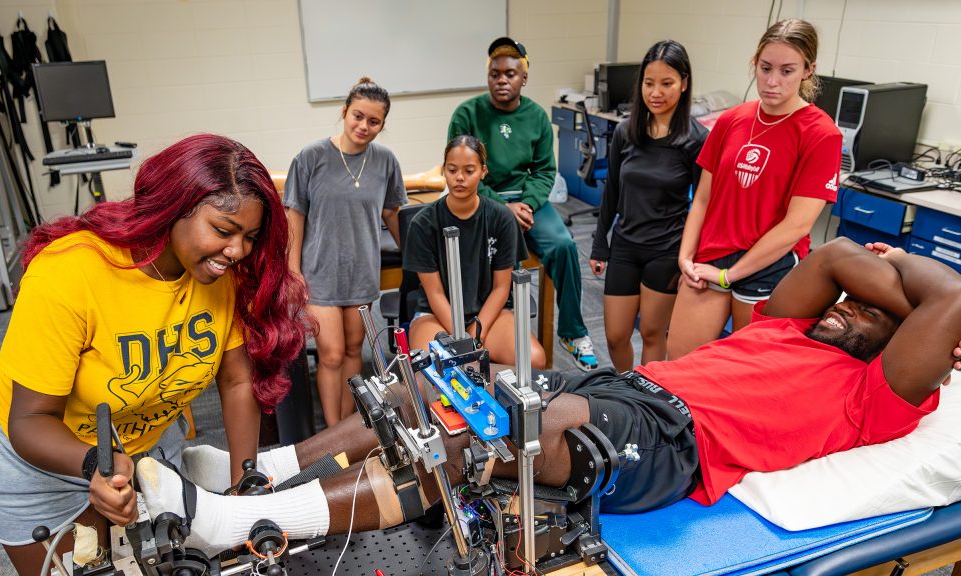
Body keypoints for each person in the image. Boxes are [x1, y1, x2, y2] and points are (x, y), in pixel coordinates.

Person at [138, 238, 961, 554]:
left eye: (873, 315)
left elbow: (946, 298)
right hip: (625, 383)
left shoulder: (882, 394)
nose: (850, 306)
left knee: (492, 432)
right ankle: (265, 470)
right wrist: (875, 272)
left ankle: (240, 525)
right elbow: (838, 253)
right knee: (431, 383)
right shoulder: (794, 327)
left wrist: (897, 285)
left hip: (676, 445)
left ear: (908, 346)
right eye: (853, 300)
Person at [0, 134, 309, 576]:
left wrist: (241, 486)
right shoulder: (70, 273)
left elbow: (237, 380)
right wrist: (95, 463)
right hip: (42, 464)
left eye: (250, 237)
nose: (238, 250)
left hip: (138, 449)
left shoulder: (219, 275)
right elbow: (29, 420)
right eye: (224, 231)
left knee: (152, 564)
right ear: (172, 207)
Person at [666, 19, 842, 360]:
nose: (773, 81)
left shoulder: (821, 134)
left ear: (808, 71)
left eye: (787, 71)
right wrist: (685, 257)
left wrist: (731, 275)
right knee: (678, 364)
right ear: (754, 64)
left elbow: (797, 225)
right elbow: (702, 199)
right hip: (711, 256)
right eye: (765, 68)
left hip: (768, 265)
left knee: (741, 377)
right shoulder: (731, 120)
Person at [447, 36, 599, 371]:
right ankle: (477, 333)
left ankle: (573, 332)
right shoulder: (468, 114)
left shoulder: (536, 116)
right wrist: (502, 207)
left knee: (562, 245)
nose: (502, 80)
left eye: (510, 74)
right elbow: (459, 168)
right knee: (485, 258)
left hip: (528, 201)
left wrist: (527, 204)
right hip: (481, 200)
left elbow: (545, 169)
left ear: (524, 78)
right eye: (495, 73)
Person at [284, 77, 408, 426]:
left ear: (382, 124)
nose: (363, 126)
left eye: (374, 121)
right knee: (332, 355)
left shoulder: (385, 161)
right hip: (320, 273)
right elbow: (295, 216)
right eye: (358, 116)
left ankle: (350, 426)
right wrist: (293, 272)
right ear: (344, 112)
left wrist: (414, 258)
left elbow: (392, 213)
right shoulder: (311, 157)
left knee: (355, 351)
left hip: (361, 273)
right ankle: (333, 432)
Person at [589, 40, 708, 371]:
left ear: (684, 84)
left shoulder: (695, 140)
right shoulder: (626, 132)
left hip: (666, 249)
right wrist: (601, 246)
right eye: (649, 83)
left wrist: (692, 259)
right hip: (626, 244)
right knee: (615, 334)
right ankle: (628, 388)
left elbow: (703, 203)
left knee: (653, 333)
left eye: (667, 83)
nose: (656, 92)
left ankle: (645, 401)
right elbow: (611, 189)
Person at [405, 135, 546, 368]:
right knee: (434, 367)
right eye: (452, 170)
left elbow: (501, 288)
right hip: (437, 315)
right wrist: (463, 339)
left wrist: (476, 333)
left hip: (490, 313)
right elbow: (435, 292)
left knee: (533, 359)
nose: (459, 178)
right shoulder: (423, 223)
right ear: (443, 171)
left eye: (469, 171)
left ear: (483, 171)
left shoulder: (502, 218)